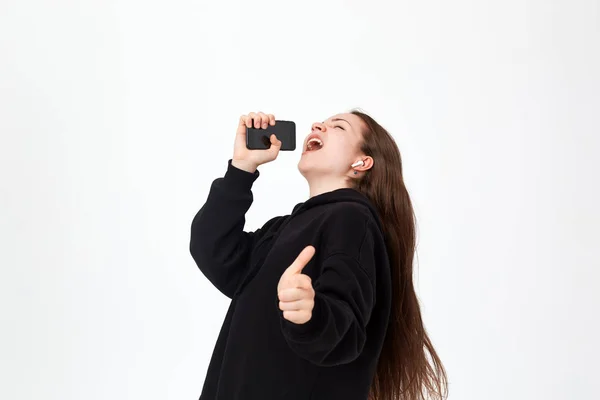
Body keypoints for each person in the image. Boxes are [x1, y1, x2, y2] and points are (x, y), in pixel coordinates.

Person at [189, 110, 448, 400]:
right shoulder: (284, 229)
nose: (318, 125)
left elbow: (345, 330)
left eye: (337, 127)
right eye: (321, 122)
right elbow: (214, 250)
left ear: (361, 163)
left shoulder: (352, 219)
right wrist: (241, 168)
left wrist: (310, 314)